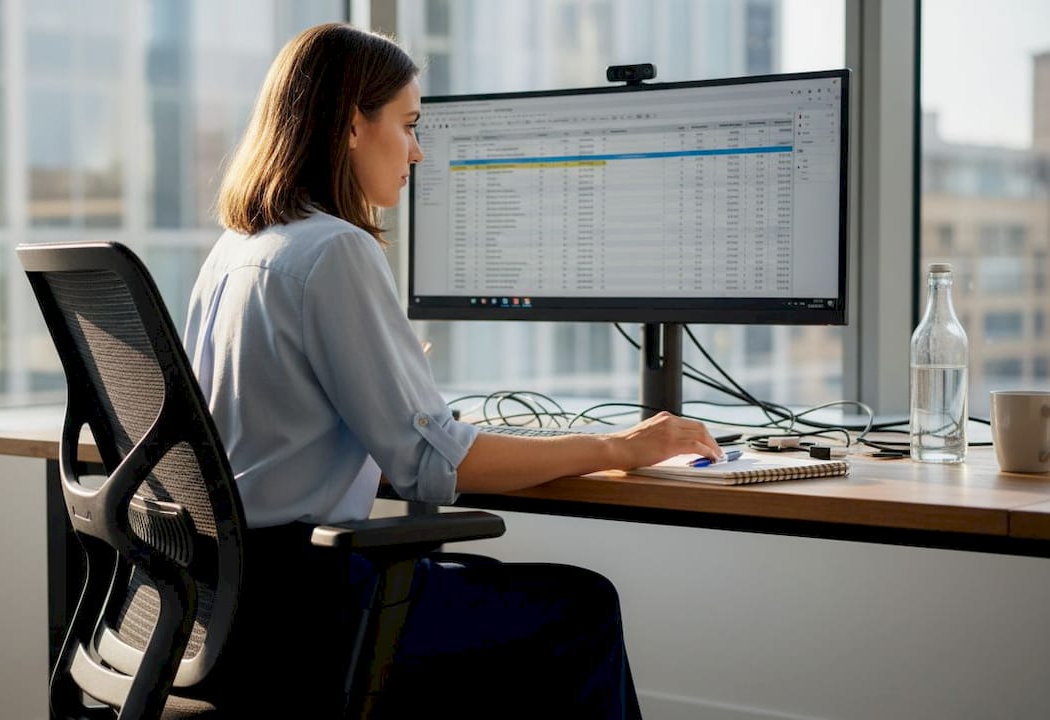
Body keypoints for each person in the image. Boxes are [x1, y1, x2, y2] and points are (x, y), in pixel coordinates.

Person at [184, 22, 722, 718]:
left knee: (492, 593)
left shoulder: (241, 247)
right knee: (580, 607)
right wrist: (619, 447)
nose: (417, 149)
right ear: (352, 125)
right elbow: (429, 468)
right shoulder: (334, 250)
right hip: (305, 608)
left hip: (219, 603)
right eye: (407, 125)